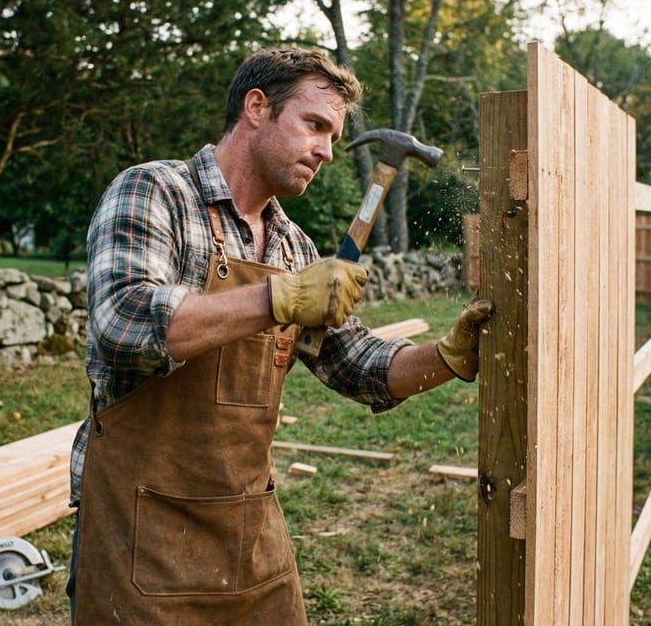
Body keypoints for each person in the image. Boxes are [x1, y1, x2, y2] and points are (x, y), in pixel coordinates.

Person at [67, 47, 493, 625]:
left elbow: (357, 364)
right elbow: (123, 321)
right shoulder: (155, 191)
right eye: (314, 125)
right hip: (140, 532)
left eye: (334, 138)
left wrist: (449, 356)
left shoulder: (293, 247)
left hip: (248, 532)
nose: (326, 151)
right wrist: (277, 298)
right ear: (256, 107)